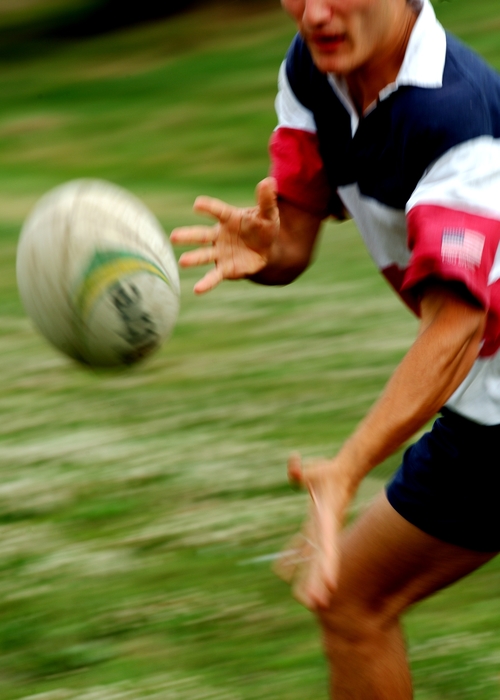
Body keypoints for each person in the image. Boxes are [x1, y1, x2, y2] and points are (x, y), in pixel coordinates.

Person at [170, 0, 500, 696]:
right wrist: (269, 251)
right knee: (351, 603)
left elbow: (456, 327)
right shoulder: (316, 70)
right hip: (487, 405)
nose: (314, 12)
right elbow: (296, 235)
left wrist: (346, 468)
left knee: (354, 600)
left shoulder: (456, 117)